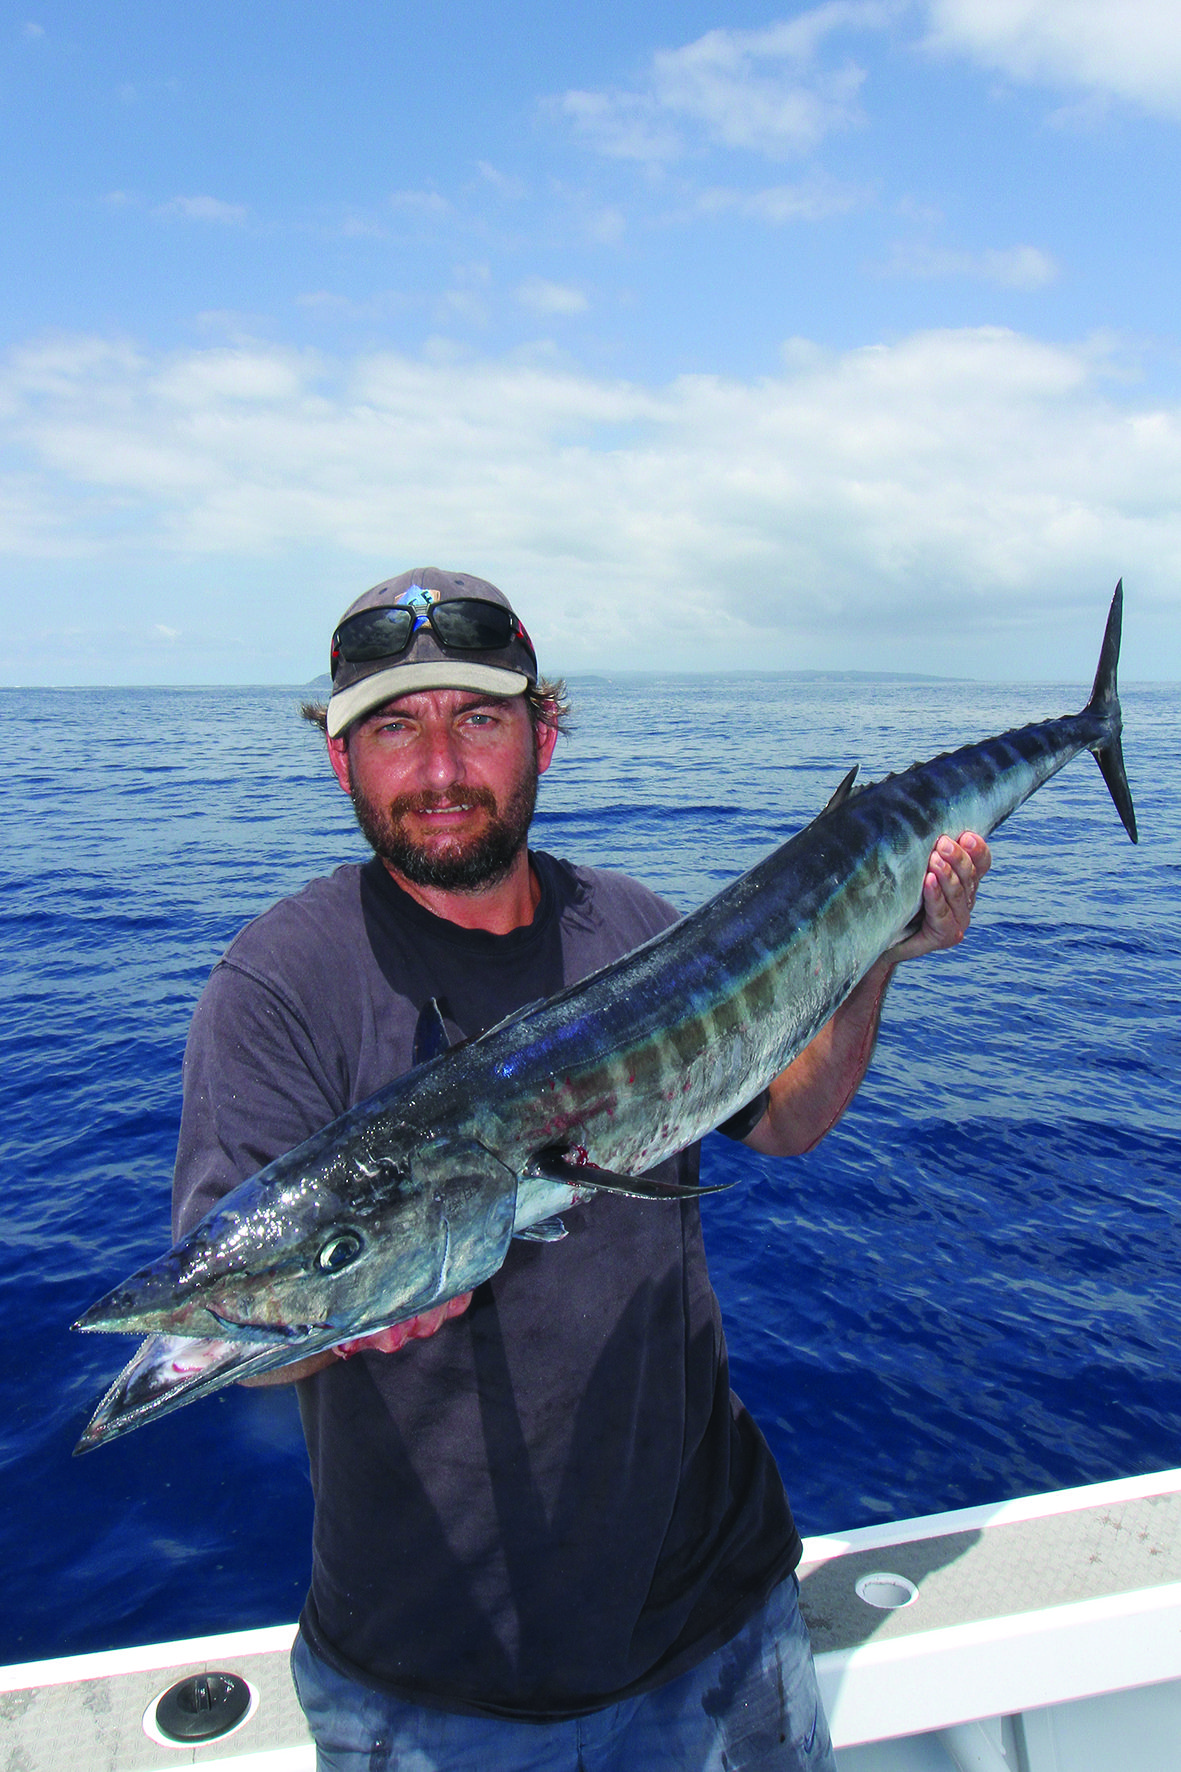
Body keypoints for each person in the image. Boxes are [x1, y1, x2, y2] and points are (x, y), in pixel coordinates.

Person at [172, 568, 991, 1772]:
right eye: (394, 727)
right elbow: (241, 1321)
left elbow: (785, 1121)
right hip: (433, 1683)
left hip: (720, 1623)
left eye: (479, 719)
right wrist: (358, 1315)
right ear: (338, 759)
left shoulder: (635, 928)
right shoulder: (275, 990)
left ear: (542, 734)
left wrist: (881, 950)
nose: (439, 767)